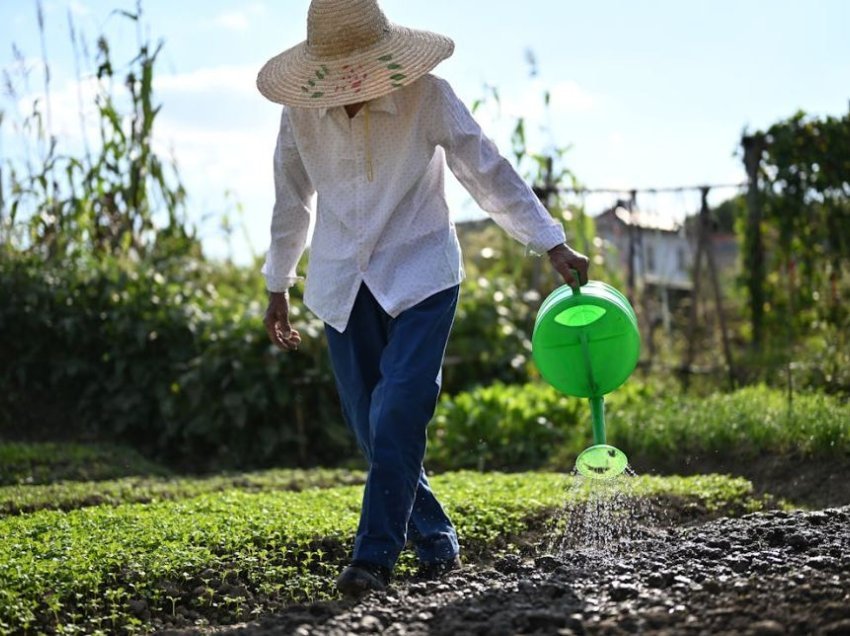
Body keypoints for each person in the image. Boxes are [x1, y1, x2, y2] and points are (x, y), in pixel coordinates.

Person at [256, 0, 589, 597]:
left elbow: (485, 169)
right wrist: (277, 284)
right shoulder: (300, 113)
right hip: (340, 285)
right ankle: (435, 541)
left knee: (400, 410)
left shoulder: (427, 95)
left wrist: (550, 242)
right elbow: (291, 202)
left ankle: (373, 559)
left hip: (422, 273)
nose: (351, 81)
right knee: (372, 427)